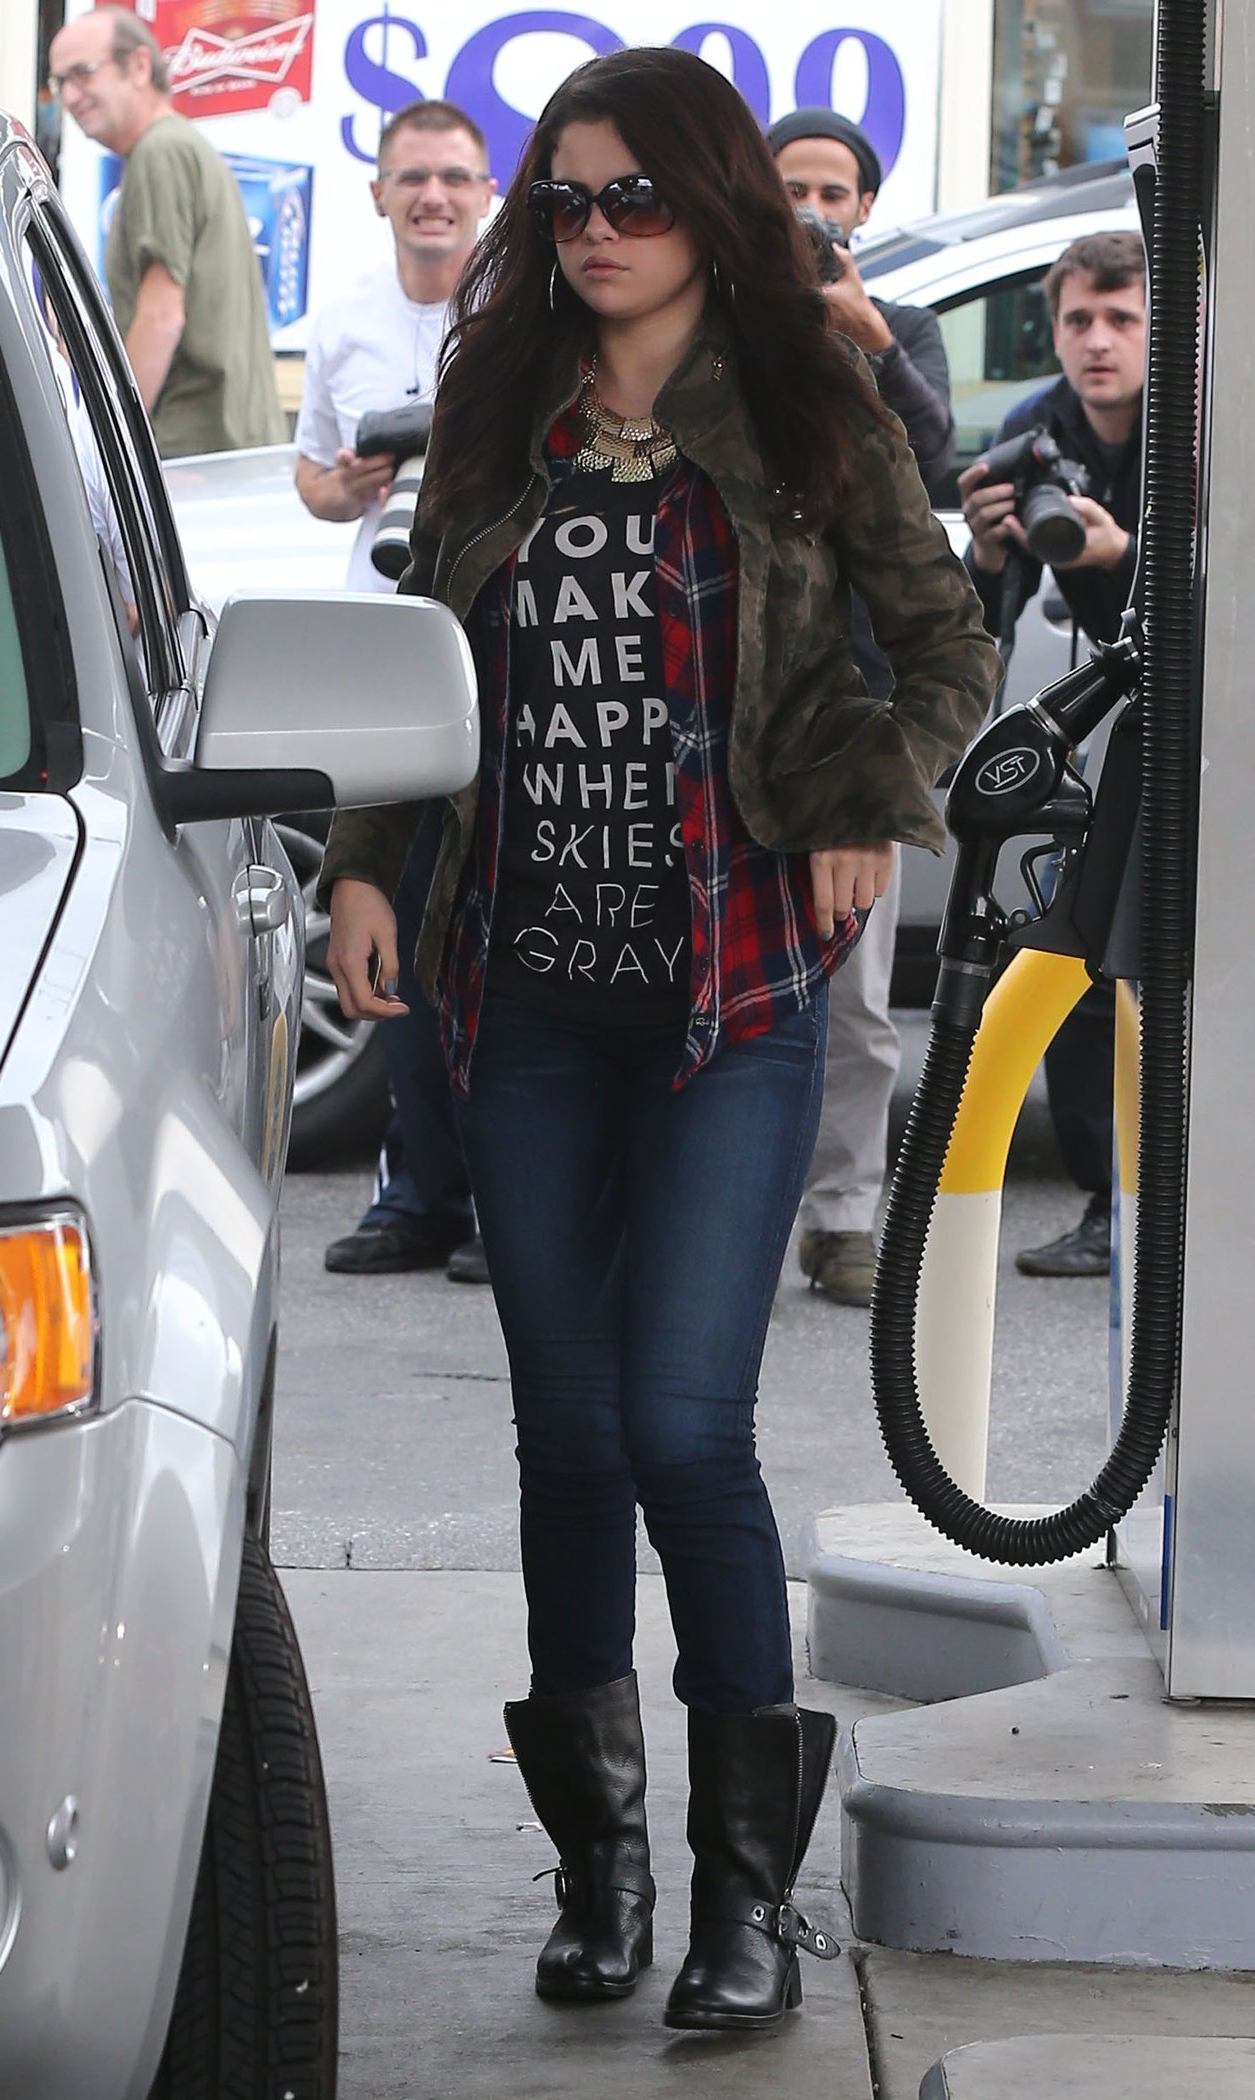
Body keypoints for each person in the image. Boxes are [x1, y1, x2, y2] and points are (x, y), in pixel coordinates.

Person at [319, 46, 998, 2033]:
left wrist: (871, 784)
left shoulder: (807, 394)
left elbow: (940, 637)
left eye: (636, 199)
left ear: (715, 206)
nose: (596, 234)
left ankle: (739, 1906)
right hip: (522, 991)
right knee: (572, 1434)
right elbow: (429, 646)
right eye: (571, 201)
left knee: (689, 1431)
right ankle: (601, 1880)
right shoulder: (498, 399)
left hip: (736, 991)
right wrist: (371, 852)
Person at [297, 99, 497, 1284]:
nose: (431, 195)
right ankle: (416, 1195)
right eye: (411, 177)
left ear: (486, 191)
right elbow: (317, 481)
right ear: (377, 192)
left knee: (490, 932)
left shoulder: (525, 316)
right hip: (386, 650)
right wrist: (350, 483)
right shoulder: (343, 319)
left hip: (496, 650)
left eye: (453, 176)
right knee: (395, 925)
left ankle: (495, 1207)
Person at [767, 106, 956, 1308]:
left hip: (858, 709)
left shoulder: (910, 327)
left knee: (855, 991)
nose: (811, 212)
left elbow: (932, 462)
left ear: (863, 210)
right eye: (789, 189)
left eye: (831, 192)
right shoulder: (722, 321)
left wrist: (868, 342)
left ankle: (842, 1218)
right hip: (737, 703)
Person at [959, 229, 1146, 1278]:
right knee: (1071, 950)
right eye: (1078, 319)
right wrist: (989, 552)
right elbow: (985, 626)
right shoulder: (1037, 431)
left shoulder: (1196, 423)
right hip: (1107, 738)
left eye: (1122, 318)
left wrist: (1129, 559)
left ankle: (1176, 1195)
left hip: (1208, 730)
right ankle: (1100, 1203)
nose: (1099, 341)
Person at [48, 6, 284, 458]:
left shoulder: (161, 152)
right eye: (61, 83)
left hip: (192, 453)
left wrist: (114, 450)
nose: (72, 96)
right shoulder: (176, 146)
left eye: (83, 74)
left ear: (138, 65)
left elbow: (161, 317)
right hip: (221, 448)